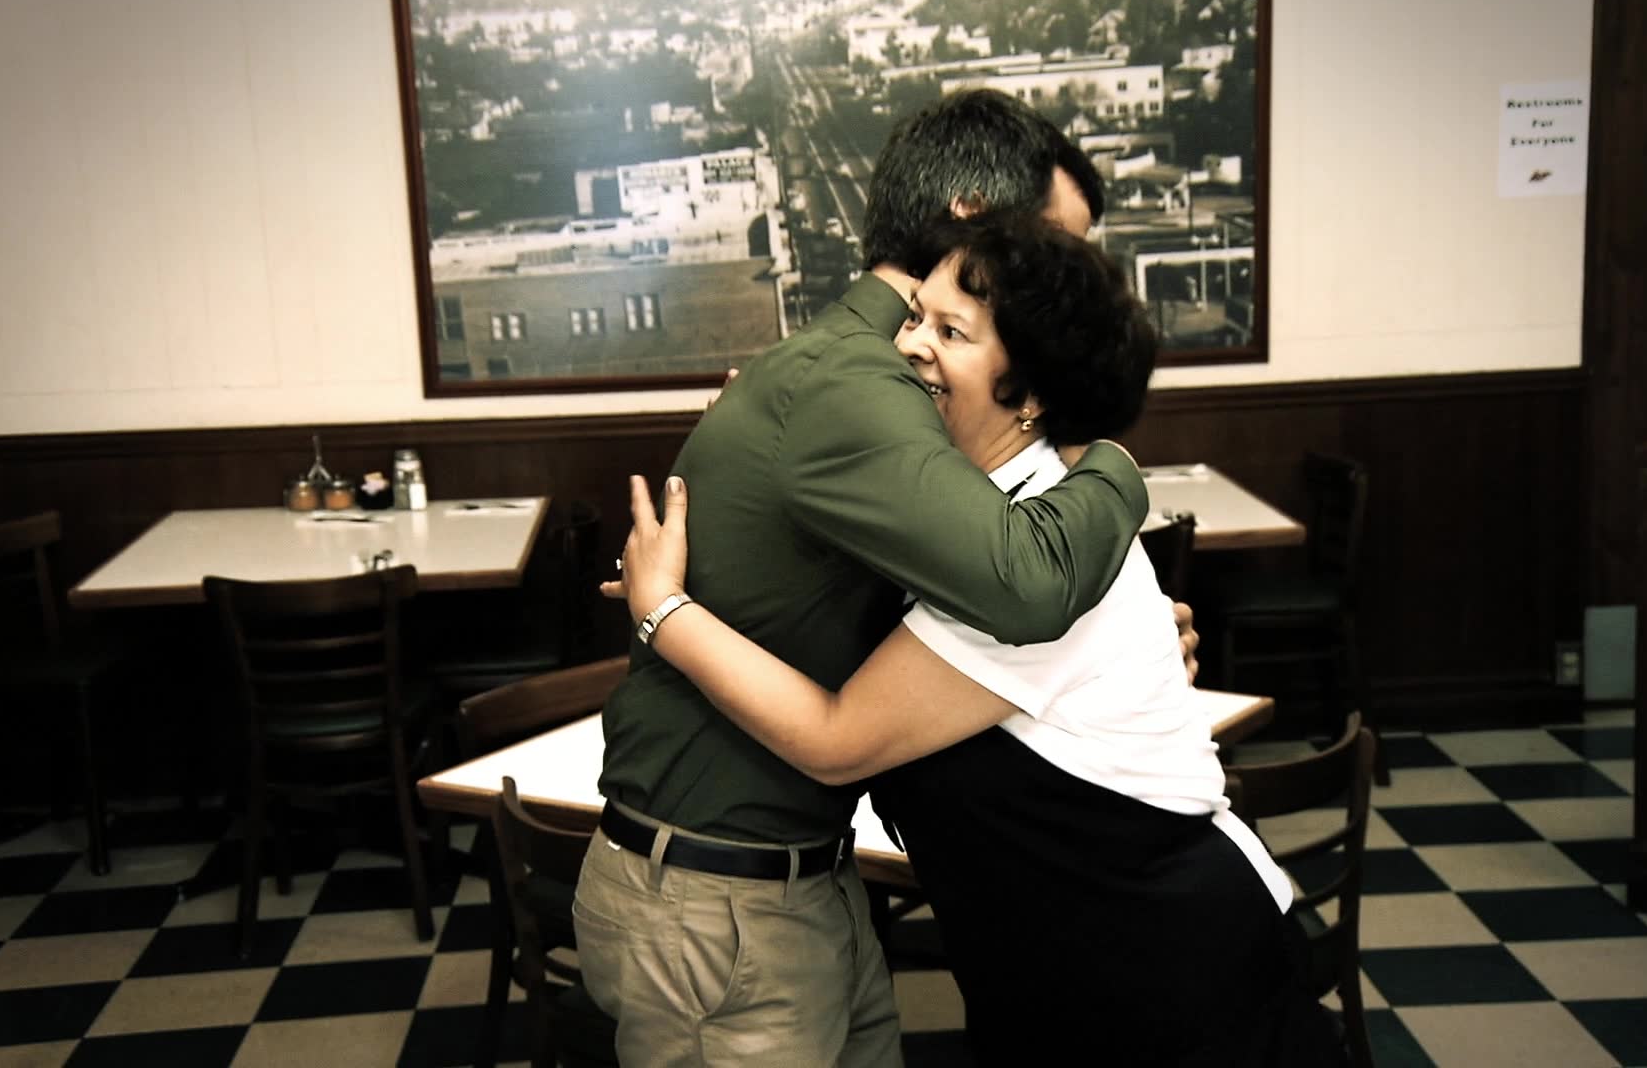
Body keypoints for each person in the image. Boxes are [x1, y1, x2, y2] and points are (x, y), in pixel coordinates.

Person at [606, 213, 1345, 1066]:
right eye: (914, 315)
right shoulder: (956, 521)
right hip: (1057, 965)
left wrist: (663, 609)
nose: (910, 346)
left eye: (950, 332)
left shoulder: (1030, 553)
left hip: (1161, 965)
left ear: (1028, 394)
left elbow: (837, 741)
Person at [573, 90, 1155, 1067]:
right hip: (722, 895)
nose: (1069, 288)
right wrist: (1117, 462)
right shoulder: (859, 383)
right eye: (1052, 248)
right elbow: (1027, 582)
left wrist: (1123, 640)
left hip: (795, 876)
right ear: (973, 218)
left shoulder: (872, 373)